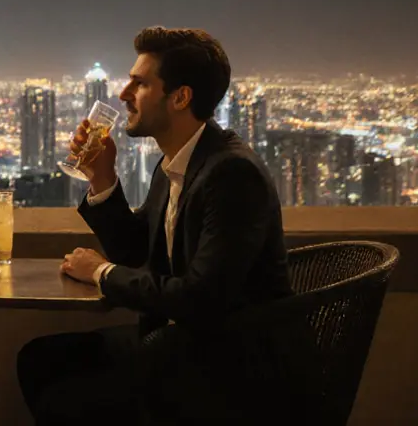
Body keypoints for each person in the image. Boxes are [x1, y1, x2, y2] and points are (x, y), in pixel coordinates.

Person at [17, 28, 303, 424]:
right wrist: (103, 177)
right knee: (38, 359)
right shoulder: (176, 163)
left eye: (140, 83)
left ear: (180, 97)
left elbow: (201, 297)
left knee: (63, 401)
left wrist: (100, 273)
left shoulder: (232, 173)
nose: (123, 94)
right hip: (179, 343)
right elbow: (139, 255)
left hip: (223, 369)